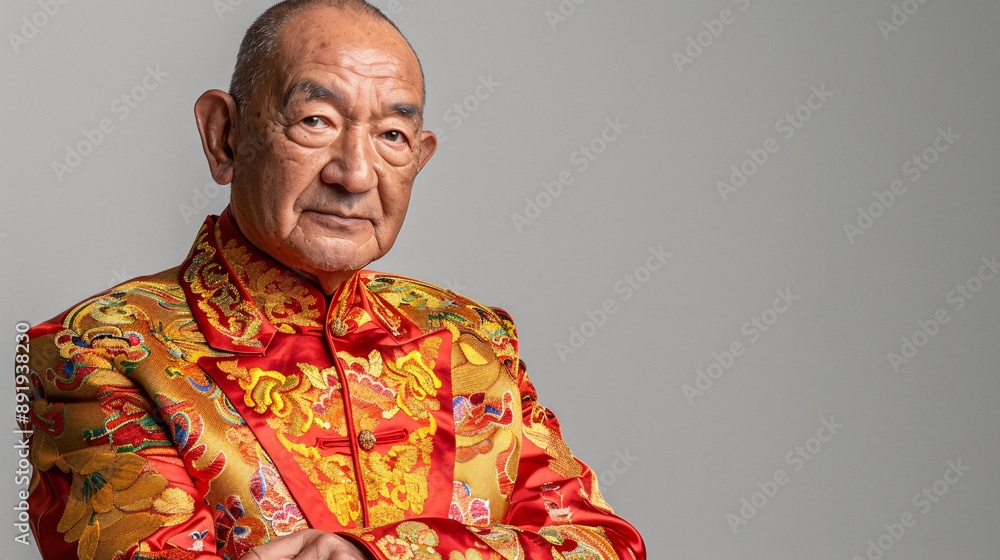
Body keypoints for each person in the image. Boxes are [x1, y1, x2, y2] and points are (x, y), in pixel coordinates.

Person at [21, 1, 646, 559]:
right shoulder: (102, 348)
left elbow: (602, 543)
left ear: (419, 160)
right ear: (224, 136)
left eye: (392, 136)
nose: (354, 173)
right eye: (315, 121)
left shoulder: (474, 338)